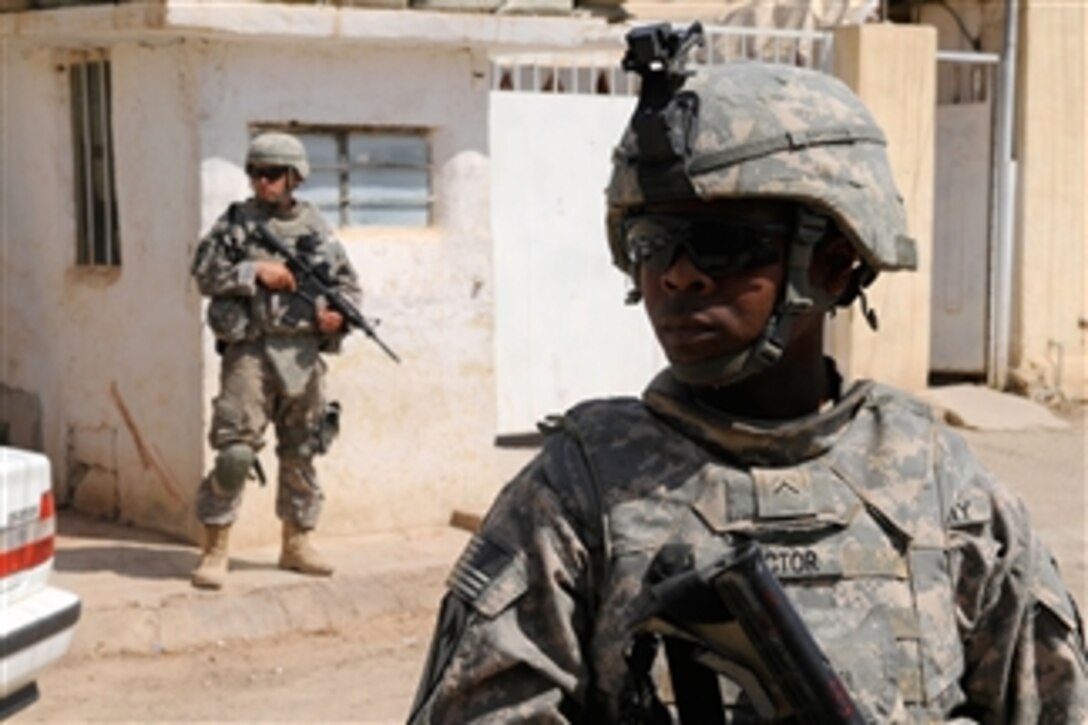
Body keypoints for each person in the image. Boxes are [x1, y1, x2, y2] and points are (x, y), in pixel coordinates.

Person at [408, 25, 1088, 724]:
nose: (677, 274)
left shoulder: (941, 485)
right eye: (652, 244)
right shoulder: (578, 493)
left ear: (834, 262)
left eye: (722, 244)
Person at [189, 131, 362, 590]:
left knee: (303, 451)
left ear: (294, 178)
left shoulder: (316, 230)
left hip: (302, 354)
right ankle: (216, 547)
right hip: (252, 352)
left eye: (271, 174)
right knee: (235, 451)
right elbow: (202, 273)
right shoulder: (236, 224)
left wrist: (335, 319)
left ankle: (297, 542)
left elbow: (347, 288)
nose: (262, 182)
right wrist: (254, 271)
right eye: (256, 173)